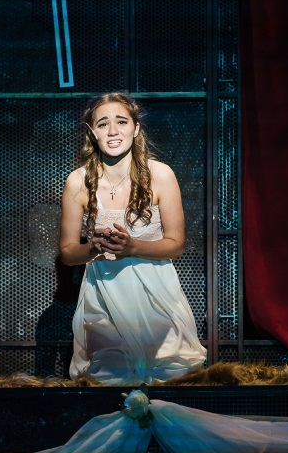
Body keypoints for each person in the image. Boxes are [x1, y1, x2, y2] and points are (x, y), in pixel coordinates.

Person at [59, 91, 207, 385]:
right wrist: (93, 249)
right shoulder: (77, 181)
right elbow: (67, 252)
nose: (113, 131)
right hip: (104, 294)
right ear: (92, 132)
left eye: (121, 122)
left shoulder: (161, 175)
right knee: (111, 379)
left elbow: (176, 244)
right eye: (103, 124)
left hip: (156, 293)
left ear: (136, 128)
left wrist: (132, 246)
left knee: (168, 377)